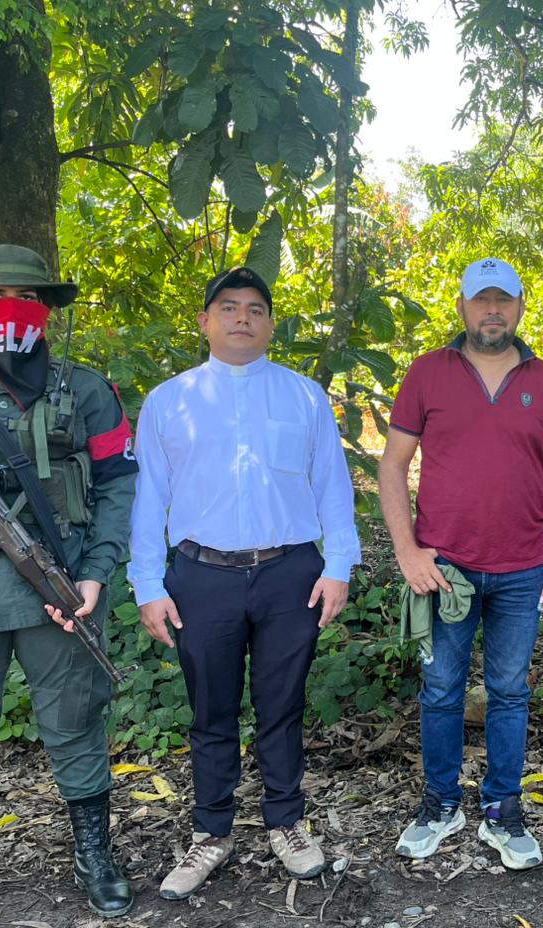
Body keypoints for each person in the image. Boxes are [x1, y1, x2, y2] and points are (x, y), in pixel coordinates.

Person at [127, 267, 360, 899]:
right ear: (205, 321)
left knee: (282, 705)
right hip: (202, 575)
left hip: (290, 572)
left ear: (270, 324)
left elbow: (332, 489)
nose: (241, 318)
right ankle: (212, 832)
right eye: (227, 308)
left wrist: (338, 564)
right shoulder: (169, 400)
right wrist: (147, 582)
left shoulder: (303, 396)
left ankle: (286, 822)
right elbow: (149, 497)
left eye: (255, 309)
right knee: (211, 708)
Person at [380, 257, 543, 871]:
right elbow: (391, 466)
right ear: (462, 307)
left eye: (504, 301)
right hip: (447, 569)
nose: (493, 311)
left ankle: (501, 809)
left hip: (521, 568)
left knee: (510, 692)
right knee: (440, 689)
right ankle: (441, 803)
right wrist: (407, 549)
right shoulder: (427, 373)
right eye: (481, 300)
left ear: (519, 307)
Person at [0, 245, 138, 916]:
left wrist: (95, 574)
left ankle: (93, 851)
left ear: (46, 309)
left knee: (74, 722)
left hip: (60, 590)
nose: (10, 311)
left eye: (23, 297)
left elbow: (121, 486)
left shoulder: (88, 390)